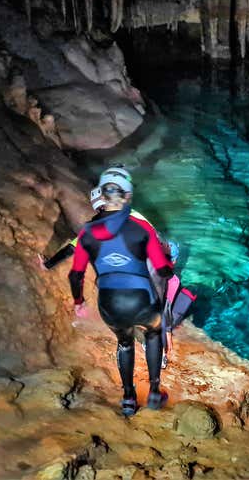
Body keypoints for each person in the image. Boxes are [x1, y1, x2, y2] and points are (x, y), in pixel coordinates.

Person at [59, 166, 174, 415]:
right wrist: (167, 266)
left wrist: (79, 301)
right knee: (153, 332)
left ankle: (129, 399)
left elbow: (75, 274)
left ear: (102, 194)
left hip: (110, 304)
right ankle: (154, 393)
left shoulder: (87, 232)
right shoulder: (141, 228)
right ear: (128, 197)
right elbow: (164, 269)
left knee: (124, 343)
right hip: (141, 300)